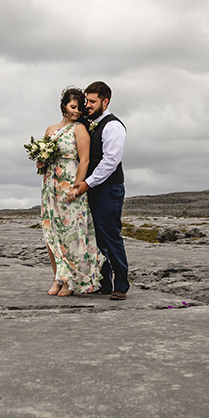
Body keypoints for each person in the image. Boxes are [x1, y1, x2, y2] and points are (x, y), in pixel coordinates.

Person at [40, 87, 103, 296]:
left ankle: (70, 281)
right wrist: (40, 161)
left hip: (69, 183)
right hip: (50, 185)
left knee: (71, 233)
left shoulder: (79, 129)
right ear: (63, 106)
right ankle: (57, 278)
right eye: (73, 107)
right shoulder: (50, 129)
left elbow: (84, 159)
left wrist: (77, 186)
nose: (77, 111)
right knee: (52, 234)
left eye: (79, 108)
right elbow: (43, 159)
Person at [69, 81, 129, 299]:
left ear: (106, 101)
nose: (88, 105)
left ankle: (121, 284)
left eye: (93, 101)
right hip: (92, 188)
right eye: (87, 101)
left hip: (109, 188)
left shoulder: (113, 126)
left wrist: (88, 183)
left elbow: (110, 161)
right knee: (94, 236)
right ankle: (104, 281)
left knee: (110, 234)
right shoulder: (89, 123)